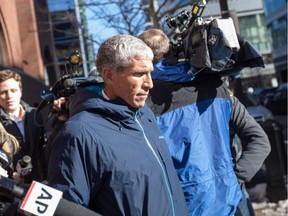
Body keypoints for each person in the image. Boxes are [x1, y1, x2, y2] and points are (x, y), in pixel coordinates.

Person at [47, 34, 188, 215]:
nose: (149, 84)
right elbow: (66, 209)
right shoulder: (79, 132)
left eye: (150, 73)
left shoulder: (144, 114)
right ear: (109, 75)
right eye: (139, 74)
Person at [139, 28, 271, 216]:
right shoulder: (216, 86)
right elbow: (260, 141)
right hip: (233, 201)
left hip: (186, 205)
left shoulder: (144, 102)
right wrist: (234, 179)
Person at [0, 70, 46, 183]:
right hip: (12, 185)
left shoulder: (35, 115)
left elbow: (42, 149)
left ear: (20, 91)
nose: (9, 96)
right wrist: (11, 175)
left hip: (40, 181)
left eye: (13, 90)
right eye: (3, 92)